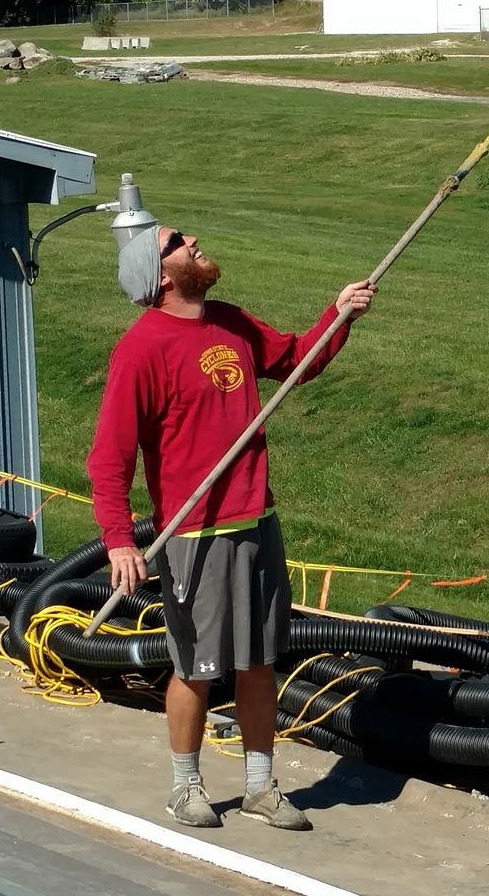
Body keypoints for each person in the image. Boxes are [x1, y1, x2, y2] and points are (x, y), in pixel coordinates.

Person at [88, 226, 374, 832]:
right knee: (196, 667)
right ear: (161, 274)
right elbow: (109, 456)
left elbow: (298, 361)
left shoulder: (231, 321)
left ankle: (259, 786)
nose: (194, 239)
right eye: (177, 240)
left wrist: (340, 314)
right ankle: (185, 786)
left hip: (256, 521)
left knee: (259, 662)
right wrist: (118, 538)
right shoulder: (142, 348)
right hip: (194, 534)